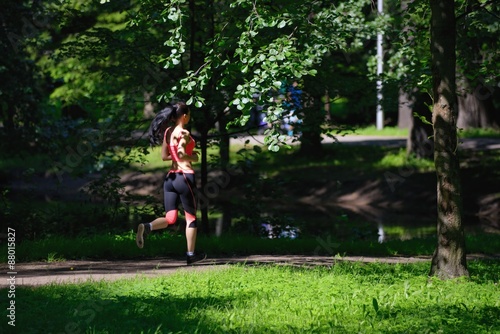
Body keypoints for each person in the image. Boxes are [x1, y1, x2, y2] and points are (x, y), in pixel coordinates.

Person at [136, 102, 206, 265]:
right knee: (191, 218)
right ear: (184, 116)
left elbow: (165, 156)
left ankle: (147, 227)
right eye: (189, 114)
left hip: (171, 179)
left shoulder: (168, 132)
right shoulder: (184, 133)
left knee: (171, 218)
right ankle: (190, 255)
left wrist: (182, 154)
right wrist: (193, 157)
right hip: (184, 177)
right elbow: (181, 153)